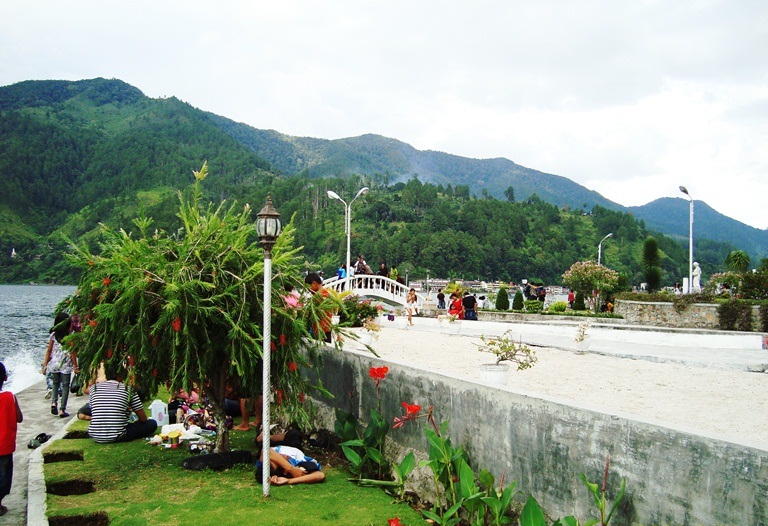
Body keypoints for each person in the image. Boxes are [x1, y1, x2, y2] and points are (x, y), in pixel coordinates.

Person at [87, 373, 158, 443]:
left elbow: (94, 410)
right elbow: (143, 419)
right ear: (119, 376)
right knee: (152, 423)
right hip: (118, 434)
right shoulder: (128, 389)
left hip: (95, 434)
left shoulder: (93, 388)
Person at [255, 428, 324, 486]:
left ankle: (265, 433)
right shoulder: (298, 465)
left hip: (272, 446)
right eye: (278, 460)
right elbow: (320, 475)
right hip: (294, 447)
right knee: (294, 432)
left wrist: (290, 469)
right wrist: (289, 480)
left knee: (263, 442)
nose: (278, 456)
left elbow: (268, 452)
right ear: (284, 471)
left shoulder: (263, 464)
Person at [42, 312, 78, 418]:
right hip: (65, 364)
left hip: (54, 364)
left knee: (55, 384)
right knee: (65, 386)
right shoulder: (69, 336)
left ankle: (54, 403)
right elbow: (72, 352)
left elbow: (49, 350)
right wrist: (76, 367)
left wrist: (45, 364)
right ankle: (62, 409)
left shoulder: (53, 335)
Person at [0, 362, 23, 517]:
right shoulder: (10, 397)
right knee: (3, 477)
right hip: (5, 447)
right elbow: (19, 418)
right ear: (5, 378)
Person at [304, 272, 332, 343]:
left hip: (321, 331)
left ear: (314, 283)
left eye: (308, 287)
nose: (308, 290)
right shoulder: (325, 293)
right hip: (324, 329)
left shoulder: (319, 296)